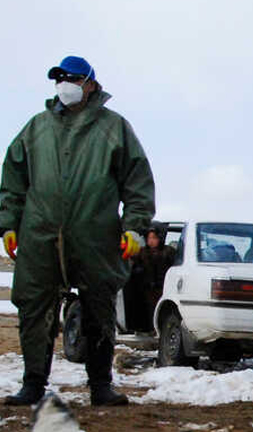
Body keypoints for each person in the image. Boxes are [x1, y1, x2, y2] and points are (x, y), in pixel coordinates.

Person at [0, 56, 156, 406]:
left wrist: (134, 227)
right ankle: (33, 384)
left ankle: (101, 385)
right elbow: (13, 179)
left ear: (90, 84)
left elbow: (138, 183)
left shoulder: (114, 128)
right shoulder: (36, 128)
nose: (64, 86)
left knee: (98, 307)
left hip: (96, 236)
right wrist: (9, 224)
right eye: (59, 79)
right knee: (33, 308)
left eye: (71, 79)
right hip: (40, 235)